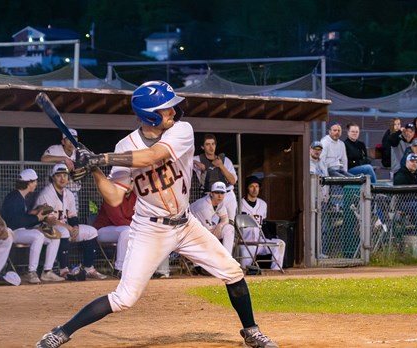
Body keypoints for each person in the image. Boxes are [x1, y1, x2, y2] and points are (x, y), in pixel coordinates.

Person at [36, 81, 278, 348]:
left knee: (233, 272)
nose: (174, 112)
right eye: (167, 109)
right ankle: (61, 332)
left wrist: (99, 159)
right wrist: (94, 169)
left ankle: (251, 331)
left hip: (186, 224)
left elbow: (153, 156)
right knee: (124, 298)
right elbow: (115, 196)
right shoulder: (124, 145)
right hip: (149, 229)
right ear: (150, 115)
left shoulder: (182, 130)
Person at [35, 164, 107, 280]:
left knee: (91, 231)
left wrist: (75, 227)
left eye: (65, 175)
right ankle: (64, 270)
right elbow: (47, 219)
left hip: (64, 227)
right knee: (64, 231)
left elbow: (72, 216)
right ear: (52, 177)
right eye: (59, 175)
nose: (63, 178)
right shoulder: (46, 194)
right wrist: (68, 227)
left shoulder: (69, 194)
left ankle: (89, 268)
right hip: (45, 227)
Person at [1, 169, 65, 284]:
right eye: (34, 181)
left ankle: (47, 272)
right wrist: (38, 218)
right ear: (28, 183)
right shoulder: (14, 198)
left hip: (22, 230)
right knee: (38, 236)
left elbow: (23, 217)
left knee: (54, 236)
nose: (36, 184)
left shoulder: (21, 196)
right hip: (12, 232)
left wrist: (35, 213)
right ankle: (32, 272)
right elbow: (16, 222)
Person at [239, 175, 286, 271]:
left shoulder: (263, 204)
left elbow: (263, 223)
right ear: (247, 188)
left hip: (260, 242)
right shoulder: (239, 204)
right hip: (246, 243)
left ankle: (276, 271)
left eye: (257, 186)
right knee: (243, 270)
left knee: (280, 243)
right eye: (252, 186)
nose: (254, 189)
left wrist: (269, 235)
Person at [190, 181, 236, 275]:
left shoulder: (220, 203)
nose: (219, 196)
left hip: (202, 230)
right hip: (188, 232)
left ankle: (227, 262)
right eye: (217, 193)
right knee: (207, 239)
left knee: (229, 228)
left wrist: (220, 225)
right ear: (211, 193)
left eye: (222, 193)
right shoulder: (203, 206)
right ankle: (202, 266)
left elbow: (225, 219)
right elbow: (209, 234)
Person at [193, 134, 238, 221]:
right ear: (202, 147)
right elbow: (183, 161)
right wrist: (195, 162)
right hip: (210, 195)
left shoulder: (225, 160)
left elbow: (232, 181)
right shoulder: (198, 159)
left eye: (213, 144)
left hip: (227, 194)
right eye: (207, 144)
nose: (211, 147)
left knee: (230, 224)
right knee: (212, 225)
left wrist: (221, 166)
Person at [93, 188, 135, 279]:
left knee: (132, 231)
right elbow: (118, 220)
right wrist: (137, 226)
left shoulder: (136, 196)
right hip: (102, 231)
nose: (128, 185)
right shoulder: (112, 195)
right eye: (126, 181)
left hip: (125, 228)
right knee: (127, 231)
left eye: (131, 182)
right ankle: (118, 269)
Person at [41, 128, 83, 210]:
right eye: (69, 140)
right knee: (54, 213)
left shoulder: (80, 151)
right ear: (63, 141)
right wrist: (64, 158)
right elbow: (44, 159)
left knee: (72, 214)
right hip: (54, 189)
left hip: (73, 189)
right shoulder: (55, 149)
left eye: (74, 139)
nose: (71, 143)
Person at [392, 153, 417, 237]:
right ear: (407, 162)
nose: (415, 164)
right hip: (400, 203)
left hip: (414, 201)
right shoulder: (400, 175)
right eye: (412, 161)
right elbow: (403, 195)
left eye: (416, 162)